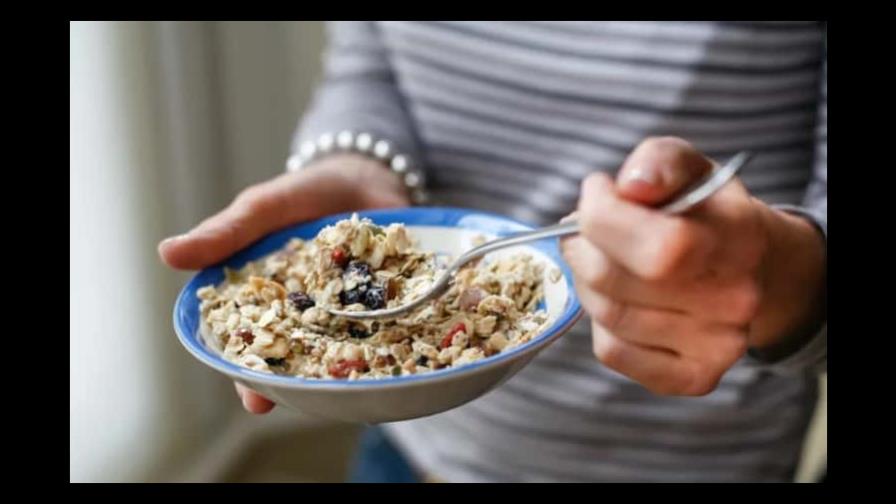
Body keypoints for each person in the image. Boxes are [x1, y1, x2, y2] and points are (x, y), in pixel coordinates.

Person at [159, 21, 826, 482]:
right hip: (414, 440)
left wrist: (787, 280)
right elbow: (369, 60)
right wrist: (355, 161)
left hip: (686, 458)